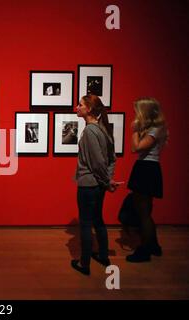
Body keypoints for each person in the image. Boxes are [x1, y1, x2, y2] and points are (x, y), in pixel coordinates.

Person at [71, 94, 119, 276]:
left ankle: (84, 264)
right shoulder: (103, 129)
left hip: (88, 184)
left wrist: (107, 181)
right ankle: (103, 256)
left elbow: (98, 162)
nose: (77, 107)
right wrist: (108, 180)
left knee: (85, 223)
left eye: (80, 104)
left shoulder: (90, 131)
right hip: (98, 185)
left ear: (88, 109)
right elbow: (112, 159)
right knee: (98, 219)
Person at [126, 97, 168, 262]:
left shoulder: (154, 130)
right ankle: (154, 246)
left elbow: (136, 147)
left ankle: (144, 251)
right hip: (148, 168)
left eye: (138, 111)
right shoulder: (155, 128)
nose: (136, 114)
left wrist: (136, 130)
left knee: (143, 213)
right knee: (145, 211)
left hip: (147, 169)